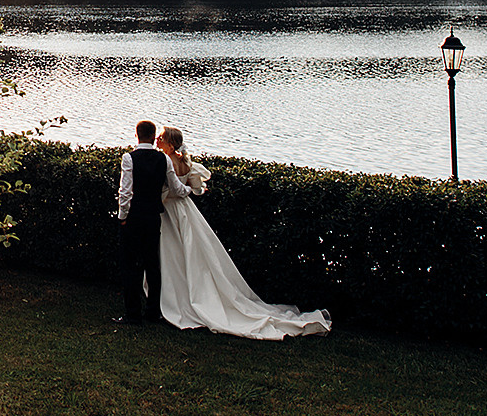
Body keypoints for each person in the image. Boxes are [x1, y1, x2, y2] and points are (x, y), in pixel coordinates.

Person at [151, 127, 331, 340]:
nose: (157, 140)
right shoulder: (186, 163)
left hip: (170, 210)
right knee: (190, 254)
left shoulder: (166, 162)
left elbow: (175, 189)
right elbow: (196, 187)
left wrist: (178, 191)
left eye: (161, 138)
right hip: (185, 210)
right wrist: (189, 190)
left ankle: (175, 298)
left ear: (170, 144)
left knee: (175, 255)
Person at [112, 120, 186, 323]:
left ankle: (133, 313)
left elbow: (125, 192)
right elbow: (176, 188)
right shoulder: (164, 159)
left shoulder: (129, 158)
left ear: (136, 135)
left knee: (130, 265)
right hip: (153, 217)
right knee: (152, 264)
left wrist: (122, 217)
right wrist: (193, 190)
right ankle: (153, 311)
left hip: (134, 218)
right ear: (154, 138)